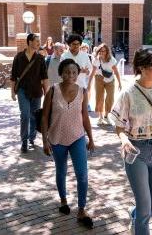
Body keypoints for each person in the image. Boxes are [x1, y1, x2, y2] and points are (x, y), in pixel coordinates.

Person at [110, 48, 152, 234]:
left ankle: (135, 218)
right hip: (135, 151)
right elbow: (118, 124)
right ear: (141, 67)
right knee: (144, 206)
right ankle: (139, 223)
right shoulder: (128, 93)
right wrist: (124, 139)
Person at [41, 59, 95, 229]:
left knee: (82, 174)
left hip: (77, 137)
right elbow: (44, 116)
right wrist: (44, 140)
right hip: (56, 138)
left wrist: (91, 138)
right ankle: (63, 201)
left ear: (77, 74)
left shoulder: (82, 91)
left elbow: (85, 117)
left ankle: (81, 209)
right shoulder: (52, 91)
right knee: (61, 171)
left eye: (74, 72)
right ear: (61, 73)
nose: (70, 75)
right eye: (67, 72)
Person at [10, 33, 48, 153]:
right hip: (22, 90)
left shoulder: (40, 58)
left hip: (37, 91)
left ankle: (32, 138)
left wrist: (47, 92)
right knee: (25, 115)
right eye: (37, 41)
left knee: (34, 116)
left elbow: (44, 77)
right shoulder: (19, 57)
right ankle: (24, 140)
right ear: (30, 42)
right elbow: (13, 77)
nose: (38, 43)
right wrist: (12, 92)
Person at [89, 43, 122, 125]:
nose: (102, 53)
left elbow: (116, 71)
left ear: (107, 51)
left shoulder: (111, 59)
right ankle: (100, 117)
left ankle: (107, 116)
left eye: (104, 51)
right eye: (100, 51)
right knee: (99, 97)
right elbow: (93, 72)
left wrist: (120, 83)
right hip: (99, 78)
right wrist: (89, 84)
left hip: (110, 80)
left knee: (110, 98)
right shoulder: (96, 60)